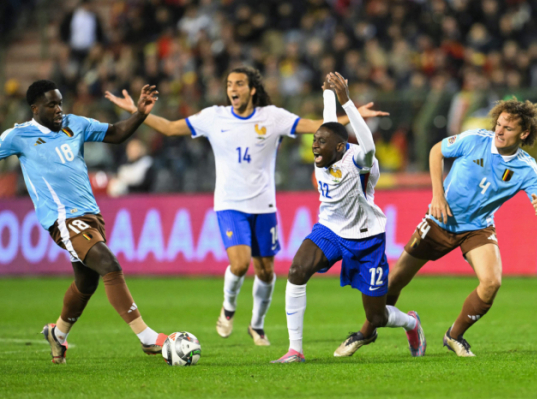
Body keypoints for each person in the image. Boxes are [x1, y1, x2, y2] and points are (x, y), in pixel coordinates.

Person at [105, 66, 388, 346]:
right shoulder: (213, 117)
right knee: (240, 264)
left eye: (239, 84)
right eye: (229, 84)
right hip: (229, 203)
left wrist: (353, 114)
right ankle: (228, 309)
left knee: (266, 271)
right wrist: (139, 112)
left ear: (252, 89)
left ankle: (257, 325)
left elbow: (321, 130)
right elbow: (168, 128)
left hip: (264, 204)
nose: (232, 89)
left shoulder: (273, 117)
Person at [344, 98, 537, 358]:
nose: (499, 131)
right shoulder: (476, 139)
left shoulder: (527, 168)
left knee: (491, 282)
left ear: (523, 133)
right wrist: (437, 195)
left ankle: (454, 335)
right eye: (498, 124)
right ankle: (366, 332)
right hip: (441, 219)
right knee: (395, 281)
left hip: (478, 228)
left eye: (507, 128)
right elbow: (436, 151)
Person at [0, 80, 165, 364]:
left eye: (60, 102)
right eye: (51, 104)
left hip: (91, 215)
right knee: (109, 265)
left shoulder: (75, 123)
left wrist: (140, 114)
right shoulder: (18, 136)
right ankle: (147, 338)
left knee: (86, 282)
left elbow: (115, 133)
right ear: (35, 108)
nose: (58, 109)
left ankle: (58, 334)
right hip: (63, 218)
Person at [271, 73, 425, 363]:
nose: (315, 146)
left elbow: (368, 146)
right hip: (329, 230)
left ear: (339, 147)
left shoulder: (358, 159)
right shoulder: (326, 150)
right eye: (315, 140)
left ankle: (411, 323)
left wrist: (346, 100)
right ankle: (295, 350)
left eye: (321, 142)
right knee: (296, 271)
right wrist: (329, 94)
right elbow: (329, 122)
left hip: (366, 238)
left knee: (376, 317)